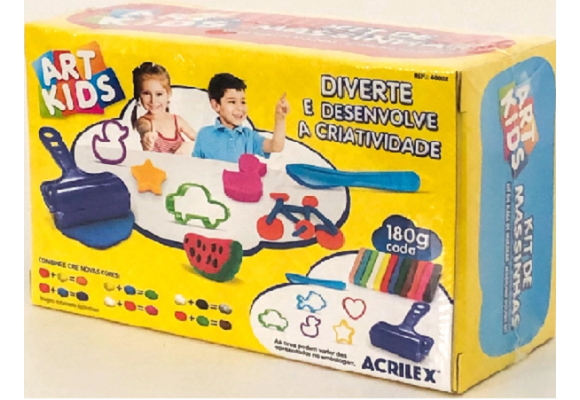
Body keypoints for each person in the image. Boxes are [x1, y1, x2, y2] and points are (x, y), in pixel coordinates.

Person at [193, 73, 289, 163]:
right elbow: (195, 167)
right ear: (216, 105)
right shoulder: (204, 135)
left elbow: (276, 146)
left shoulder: (249, 136)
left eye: (243, 102)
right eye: (232, 102)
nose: (240, 108)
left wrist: (280, 118)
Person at [131, 62, 196, 154]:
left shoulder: (177, 121)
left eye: (159, 94)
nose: (153, 100)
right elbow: (143, 128)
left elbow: (200, 140)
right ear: (139, 95)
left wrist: (189, 146)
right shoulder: (145, 121)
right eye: (146, 93)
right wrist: (147, 135)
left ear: (168, 94)